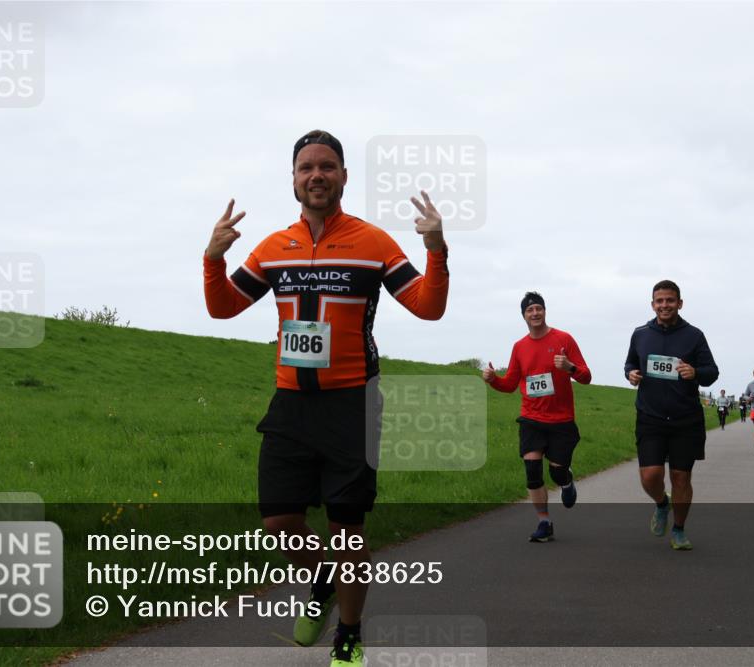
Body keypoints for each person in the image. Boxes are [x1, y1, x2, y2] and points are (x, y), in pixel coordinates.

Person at [203, 130, 449, 667]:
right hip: (291, 403)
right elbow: (223, 309)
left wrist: (436, 250)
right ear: (292, 179)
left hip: (352, 405)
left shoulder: (373, 242)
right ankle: (323, 582)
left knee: (348, 529)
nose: (317, 175)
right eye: (306, 167)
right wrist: (213, 258)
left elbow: (428, 309)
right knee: (279, 522)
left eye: (327, 166)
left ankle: (350, 635)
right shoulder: (273, 247)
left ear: (343, 176)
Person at [482, 292, 592, 542]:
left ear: (545, 312)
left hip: (561, 420)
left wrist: (570, 367)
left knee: (557, 472)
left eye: (538, 309)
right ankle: (544, 522)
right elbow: (510, 384)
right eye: (530, 310)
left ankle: (566, 481)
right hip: (531, 418)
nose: (535, 313)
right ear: (523, 316)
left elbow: (586, 376)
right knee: (532, 470)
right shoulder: (519, 347)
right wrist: (492, 381)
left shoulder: (564, 339)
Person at [624, 280, 719, 551]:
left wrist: (696, 373)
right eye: (659, 301)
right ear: (652, 304)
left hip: (685, 419)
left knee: (681, 478)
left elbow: (712, 371)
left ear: (680, 303)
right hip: (650, 416)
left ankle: (678, 530)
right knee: (650, 476)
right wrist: (630, 374)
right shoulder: (640, 334)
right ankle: (661, 504)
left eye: (670, 300)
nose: (664, 305)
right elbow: (630, 362)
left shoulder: (694, 336)